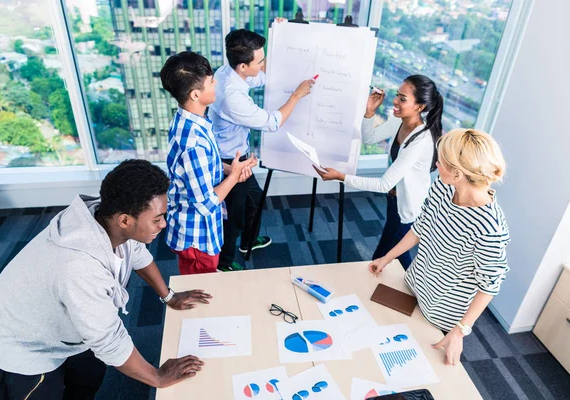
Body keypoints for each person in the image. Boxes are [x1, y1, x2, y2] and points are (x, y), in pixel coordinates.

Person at [0, 159, 213, 399]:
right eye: (157, 219)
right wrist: (157, 376)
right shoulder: (80, 266)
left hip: (65, 327)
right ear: (125, 221)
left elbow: (136, 253)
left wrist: (168, 295)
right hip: (20, 348)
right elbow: (109, 340)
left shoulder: (106, 216)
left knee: (89, 377)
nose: (164, 224)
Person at [369, 129, 510, 366]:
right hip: (413, 286)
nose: (436, 163)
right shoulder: (444, 187)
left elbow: (489, 286)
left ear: (458, 173)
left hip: (440, 314)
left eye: (441, 160)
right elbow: (420, 227)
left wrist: (460, 331)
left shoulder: (490, 227)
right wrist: (388, 257)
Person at [208, 27, 315, 271]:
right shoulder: (232, 96)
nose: (265, 63)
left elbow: (261, 76)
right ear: (243, 66)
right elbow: (272, 122)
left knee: (254, 200)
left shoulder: (229, 71)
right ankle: (224, 263)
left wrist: (280, 33)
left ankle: (248, 242)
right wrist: (296, 96)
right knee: (233, 216)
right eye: (261, 60)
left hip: (238, 153)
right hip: (229, 160)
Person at [314, 75, 444, 270]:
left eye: (403, 98)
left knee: (385, 256)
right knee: (394, 255)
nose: (395, 101)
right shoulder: (399, 121)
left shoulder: (421, 140)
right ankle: (416, 288)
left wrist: (341, 177)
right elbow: (370, 138)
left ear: (420, 107)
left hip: (408, 209)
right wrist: (369, 113)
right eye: (397, 95)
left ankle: (420, 291)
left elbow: (383, 183)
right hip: (394, 202)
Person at [161, 51, 257, 275]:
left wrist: (228, 169)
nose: (217, 85)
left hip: (196, 228)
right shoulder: (193, 143)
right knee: (201, 291)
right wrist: (233, 177)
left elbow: (198, 169)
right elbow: (205, 204)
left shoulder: (192, 119)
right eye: (212, 82)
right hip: (197, 237)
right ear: (196, 94)